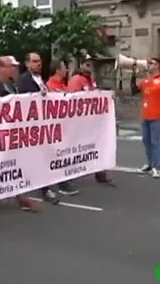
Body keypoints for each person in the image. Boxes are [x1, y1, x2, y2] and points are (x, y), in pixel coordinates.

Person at [0, 56, 40, 211]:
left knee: (14, 164)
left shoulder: (13, 85)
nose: (15, 69)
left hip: (13, 132)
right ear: (1, 68)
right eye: (12, 66)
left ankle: (19, 196)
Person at [16, 52, 60, 204]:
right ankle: (35, 190)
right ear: (27, 64)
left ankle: (45, 187)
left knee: (43, 158)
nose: (38, 64)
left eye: (39, 61)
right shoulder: (23, 80)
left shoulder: (41, 79)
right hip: (31, 127)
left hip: (43, 125)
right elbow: (25, 99)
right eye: (34, 61)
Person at [68, 58, 116, 186]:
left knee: (98, 146)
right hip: (81, 122)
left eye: (91, 65)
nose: (90, 67)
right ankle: (68, 173)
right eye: (87, 64)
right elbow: (72, 99)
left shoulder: (90, 79)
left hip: (93, 121)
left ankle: (100, 174)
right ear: (82, 65)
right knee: (77, 148)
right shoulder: (76, 79)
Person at [130, 57, 160, 178]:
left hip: (157, 117)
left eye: (151, 63)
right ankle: (149, 164)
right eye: (148, 63)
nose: (148, 65)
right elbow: (134, 90)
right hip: (146, 116)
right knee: (146, 141)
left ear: (158, 66)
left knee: (155, 142)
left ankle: (156, 167)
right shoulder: (147, 81)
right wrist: (133, 74)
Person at [45, 59, 79, 196]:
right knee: (55, 155)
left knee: (64, 153)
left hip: (66, 127)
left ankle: (64, 179)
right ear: (57, 70)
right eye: (64, 68)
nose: (66, 70)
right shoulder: (49, 86)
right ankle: (60, 182)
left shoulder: (63, 85)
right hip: (55, 128)